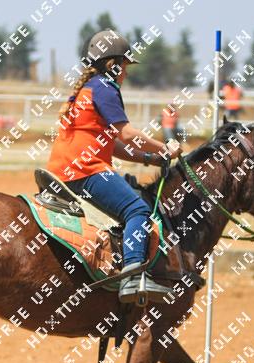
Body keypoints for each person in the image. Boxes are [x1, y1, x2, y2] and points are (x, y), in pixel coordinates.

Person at [47, 29, 179, 303]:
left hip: (63, 170)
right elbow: (127, 134)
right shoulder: (105, 89)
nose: (126, 73)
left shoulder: (88, 88)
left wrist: (150, 159)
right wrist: (164, 147)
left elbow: (114, 146)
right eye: (125, 67)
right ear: (113, 65)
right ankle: (132, 276)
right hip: (86, 171)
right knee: (137, 210)